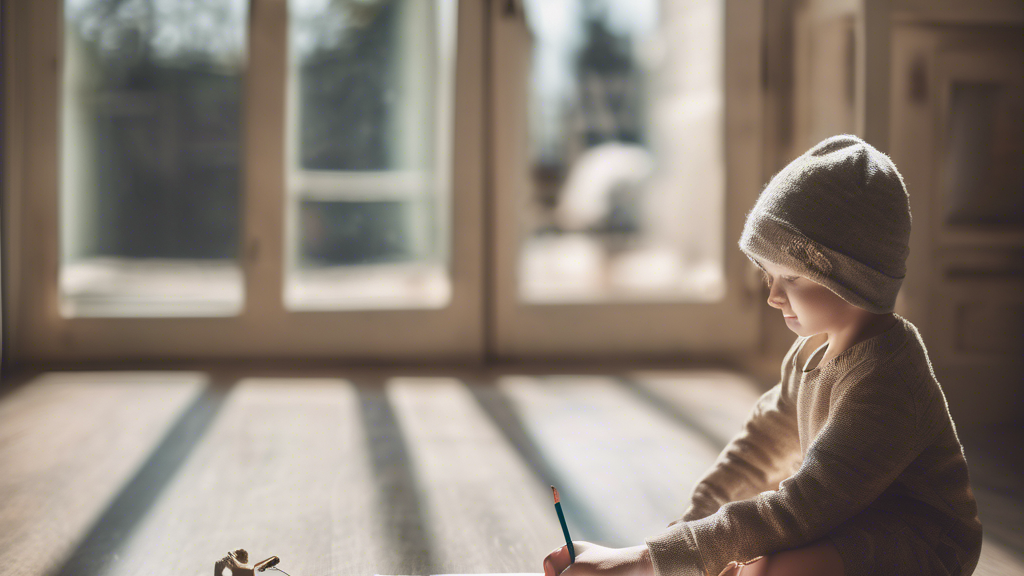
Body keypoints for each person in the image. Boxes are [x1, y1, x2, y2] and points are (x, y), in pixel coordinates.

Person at [542, 135, 983, 576]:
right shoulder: (809, 350)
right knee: (753, 559)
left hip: (924, 547)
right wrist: (679, 542)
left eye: (791, 277)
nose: (772, 296)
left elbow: (804, 507)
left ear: (857, 279)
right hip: (847, 522)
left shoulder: (887, 382)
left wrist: (644, 563)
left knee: (772, 569)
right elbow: (758, 452)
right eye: (768, 275)